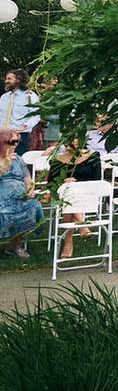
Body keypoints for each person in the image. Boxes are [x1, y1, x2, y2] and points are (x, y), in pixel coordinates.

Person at [0, 129, 44, 259]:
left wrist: (30, 190)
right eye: (12, 142)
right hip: (2, 200)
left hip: (19, 198)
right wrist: (4, 164)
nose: (15, 145)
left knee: (33, 207)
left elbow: (27, 178)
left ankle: (15, 245)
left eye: (17, 142)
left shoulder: (18, 159)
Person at [1, 69, 41, 156]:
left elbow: (36, 115)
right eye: (6, 79)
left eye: (9, 79)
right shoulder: (4, 97)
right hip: (2, 135)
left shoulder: (30, 96)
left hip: (19, 136)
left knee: (16, 162)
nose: (6, 81)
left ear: (18, 80)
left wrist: (26, 125)